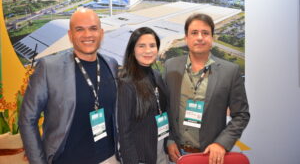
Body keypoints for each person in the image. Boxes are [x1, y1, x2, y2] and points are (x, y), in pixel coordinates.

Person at [19, 8, 119, 164]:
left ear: (101, 33)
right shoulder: (48, 68)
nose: (87, 35)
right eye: (80, 29)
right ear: (70, 35)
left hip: (110, 158)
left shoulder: (111, 64)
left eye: (93, 28)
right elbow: (27, 119)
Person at [164, 13, 250, 164]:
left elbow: (241, 114)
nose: (199, 37)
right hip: (177, 154)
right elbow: (165, 108)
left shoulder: (230, 71)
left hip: (210, 155)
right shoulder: (171, 66)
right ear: (186, 38)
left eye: (205, 33)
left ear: (212, 38)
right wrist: (169, 140)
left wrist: (221, 143)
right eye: (194, 33)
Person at [117, 27, 169, 164]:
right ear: (132, 50)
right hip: (141, 157)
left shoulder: (157, 76)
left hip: (161, 151)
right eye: (141, 46)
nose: (148, 50)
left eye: (152, 45)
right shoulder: (126, 83)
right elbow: (124, 131)